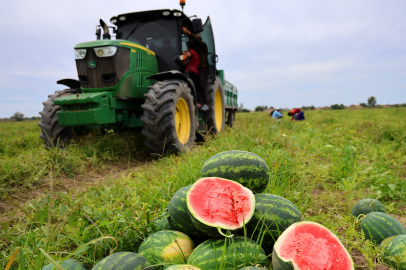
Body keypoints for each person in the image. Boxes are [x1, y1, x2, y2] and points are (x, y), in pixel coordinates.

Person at [182, 27, 209, 111]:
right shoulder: (195, 50)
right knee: (197, 85)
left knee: (202, 84)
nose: (195, 41)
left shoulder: (203, 45)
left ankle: (206, 103)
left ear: (200, 39)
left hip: (203, 67)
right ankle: (198, 102)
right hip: (196, 68)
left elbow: (196, 41)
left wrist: (188, 32)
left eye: (197, 39)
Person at [182, 42, 201, 109]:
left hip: (190, 71)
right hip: (195, 72)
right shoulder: (197, 54)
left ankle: (191, 101)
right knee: (196, 87)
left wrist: (183, 52)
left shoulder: (191, 51)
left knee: (187, 86)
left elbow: (189, 54)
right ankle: (198, 102)